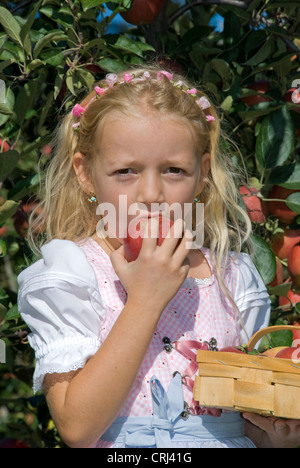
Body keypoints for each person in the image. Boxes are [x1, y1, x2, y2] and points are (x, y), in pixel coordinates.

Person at [17, 66, 299, 448]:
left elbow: (244, 427)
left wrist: (279, 438)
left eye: (173, 170)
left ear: (201, 174)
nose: (151, 193)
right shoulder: (75, 273)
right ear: (85, 173)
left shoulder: (232, 277)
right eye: (125, 171)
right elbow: (77, 428)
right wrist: (146, 300)